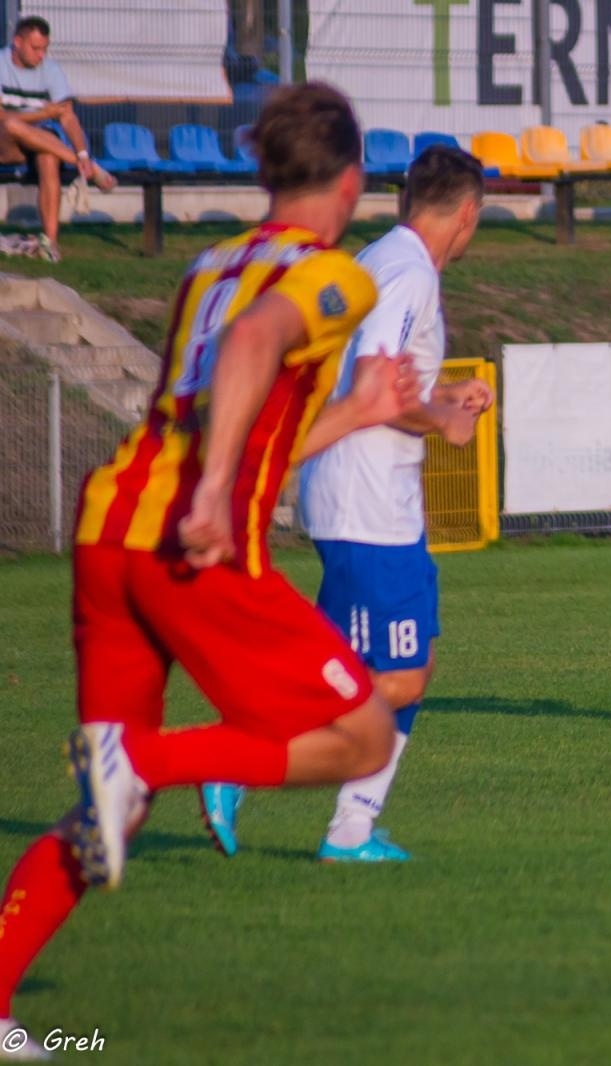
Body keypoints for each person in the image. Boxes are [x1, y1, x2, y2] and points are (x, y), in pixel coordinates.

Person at [0, 82, 416, 1060]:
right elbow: (256, 341)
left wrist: (354, 414)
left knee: (111, 819)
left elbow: (222, 392)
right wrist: (216, 489)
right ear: (352, 179)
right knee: (358, 736)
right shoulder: (335, 277)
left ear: (267, 173)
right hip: (193, 548)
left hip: (109, 535)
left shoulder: (209, 262)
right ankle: (145, 760)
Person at [199, 145, 493, 864]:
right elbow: (372, 388)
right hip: (366, 499)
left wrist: (442, 398)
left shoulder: (384, 259)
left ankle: (353, 829)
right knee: (389, 676)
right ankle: (241, 763)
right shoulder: (406, 272)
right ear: (467, 213)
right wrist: (444, 420)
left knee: (395, 666)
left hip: (379, 495)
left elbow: (381, 385)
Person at [0, 16, 117, 263]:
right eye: (35, 48)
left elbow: (68, 118)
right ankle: (88, 168)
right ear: (17, 42)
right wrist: (44, 113)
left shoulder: (51, 70)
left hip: (36, 143)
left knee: (48, 156)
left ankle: (49, 243)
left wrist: (83, 151)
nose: (41, 55)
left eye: (44, 48)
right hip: (5, 145)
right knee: (11, 124)